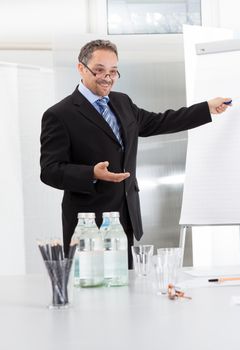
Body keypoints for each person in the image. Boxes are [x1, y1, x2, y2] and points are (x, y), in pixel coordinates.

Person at [40, 39, 230, 265]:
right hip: (89, 227)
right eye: (100, 70)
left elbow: (159, 122)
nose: (108, 78)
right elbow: (50, 170)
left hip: (125, 219)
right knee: (94, 293)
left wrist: (206, 108)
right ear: (81, 67)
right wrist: (91, 173)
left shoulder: (122, 102)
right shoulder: (60, 114)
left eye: (113, 71)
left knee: (126, 289)